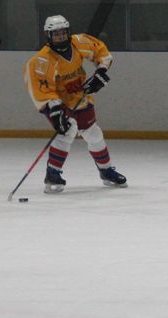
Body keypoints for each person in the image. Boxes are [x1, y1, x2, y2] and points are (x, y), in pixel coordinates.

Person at [25, 14, 127, 193]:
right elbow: (41, 89)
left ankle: (106, 171)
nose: (60, 37)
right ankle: (52, 175)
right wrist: (55, 110)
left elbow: (102, 53)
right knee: (68, 130)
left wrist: (100, 73)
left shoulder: (79, 42)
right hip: (58, 103)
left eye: (63, 33)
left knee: (94, 133)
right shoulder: (42, 61)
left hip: (80, 97)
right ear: (48, 36)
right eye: (56, 34)